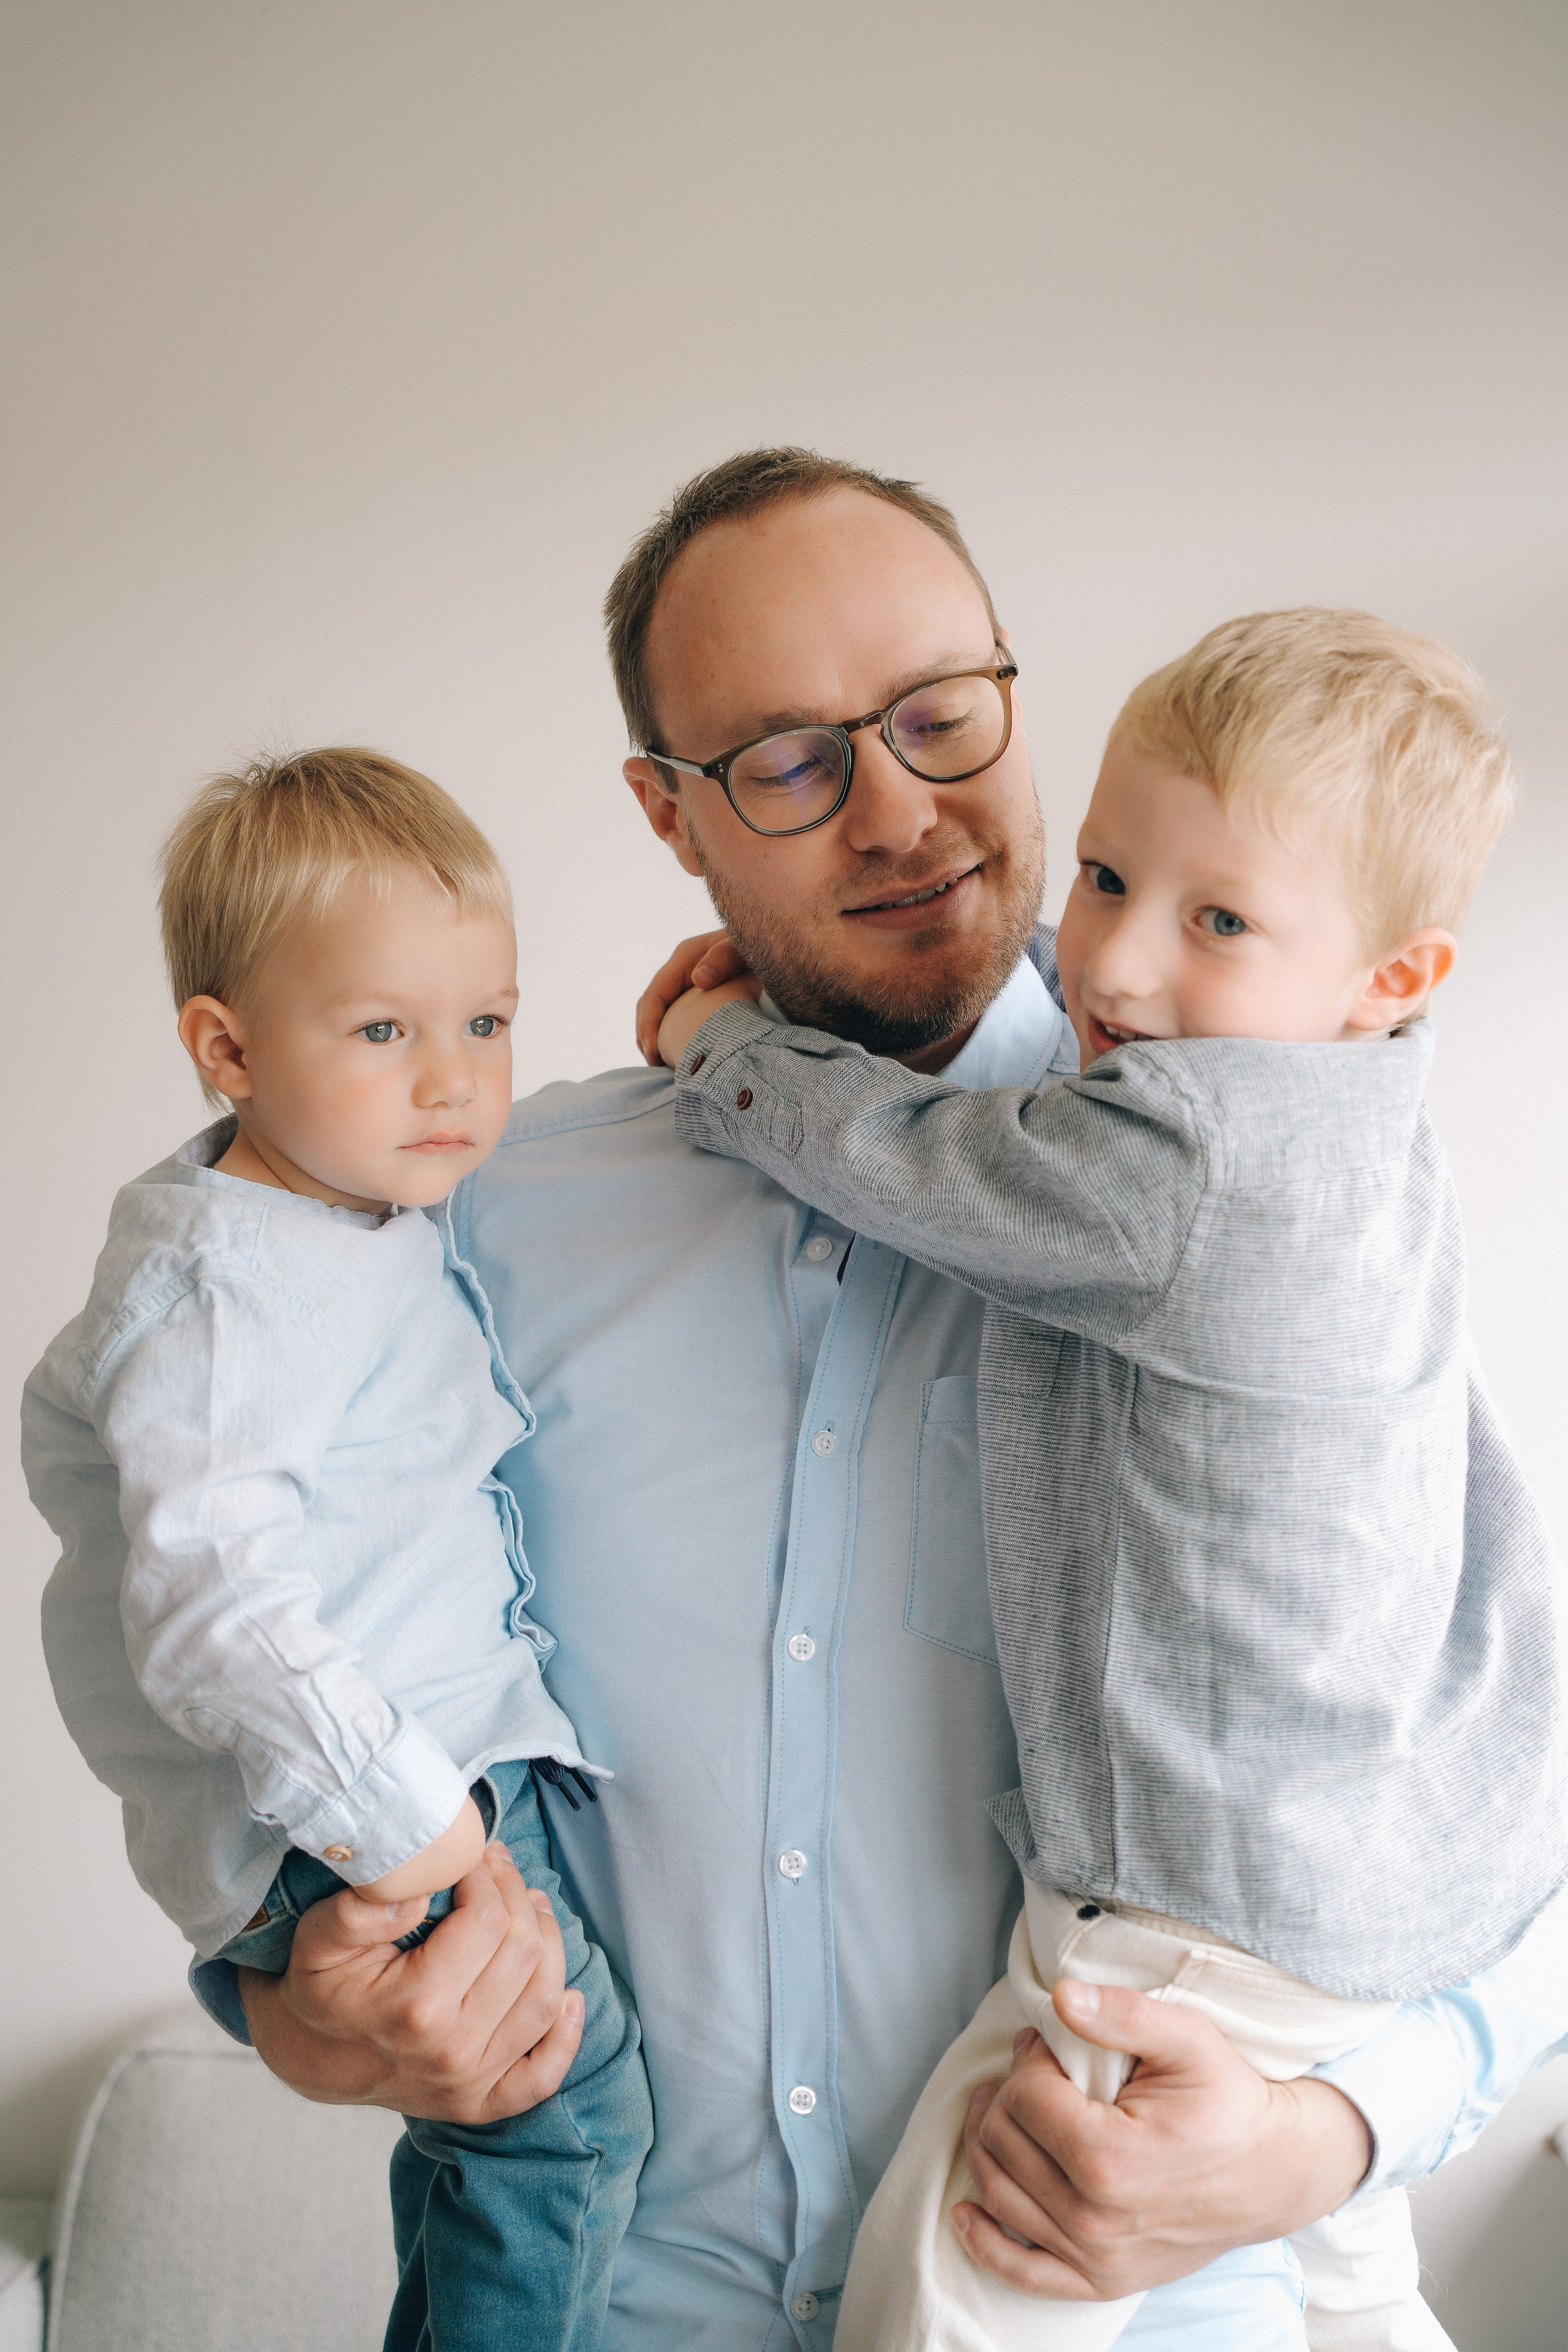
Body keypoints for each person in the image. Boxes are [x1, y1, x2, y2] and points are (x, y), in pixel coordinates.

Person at [165, 453, 1568, 2350]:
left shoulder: (1291, 1224)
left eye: (941, 717)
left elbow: (1494, 1771)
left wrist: (1329, 2138)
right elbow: (208, 1565)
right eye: (792, 759)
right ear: (669, 817)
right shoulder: (475, 1223)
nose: (903, 809)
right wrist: (284, 2001)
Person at [650, 605, 1567, 2350]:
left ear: (1398, 977)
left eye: (1219, 921)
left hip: (1186, 1904)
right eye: (1109, 877)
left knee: (963, 2271)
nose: (1120, 967)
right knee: (1351, 2272)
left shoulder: (1193, 1148)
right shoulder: (1375, 1149)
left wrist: (724, 1054)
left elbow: (915, 1166)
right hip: (1358, 1899)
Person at [22, 750, 653, 2352]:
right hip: (379, 1801)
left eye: (486, 1024)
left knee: (497, 2144)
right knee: (562, 2116)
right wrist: (420, 1832)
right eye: (385, 1031)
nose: (453, 1082)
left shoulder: (353, 1210)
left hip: (409, 1790)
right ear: (224, 1048)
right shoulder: (232, 1287)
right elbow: (209, 1611)